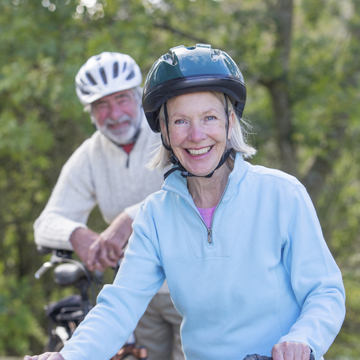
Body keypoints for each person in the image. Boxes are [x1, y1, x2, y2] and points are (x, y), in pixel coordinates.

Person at [26, 44, 345, 360]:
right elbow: (119, 306)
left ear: (229, 121)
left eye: (208, 118)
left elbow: (325, 291)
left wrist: (303, 339)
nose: (196, 135)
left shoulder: (283, 194)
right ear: (163, 130)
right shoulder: (155, 215)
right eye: (180, 121)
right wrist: (67, 357)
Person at [33, 51, 184, 360]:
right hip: (135, 293)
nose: (115, 114)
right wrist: (76, 233)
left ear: (139, 97)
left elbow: (193, 190)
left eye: (122, 100)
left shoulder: (170, 131)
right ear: (90, 112)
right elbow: (45, 222)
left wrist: (128, 218)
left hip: (192, 285)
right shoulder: (90, 155)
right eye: (102, 105)